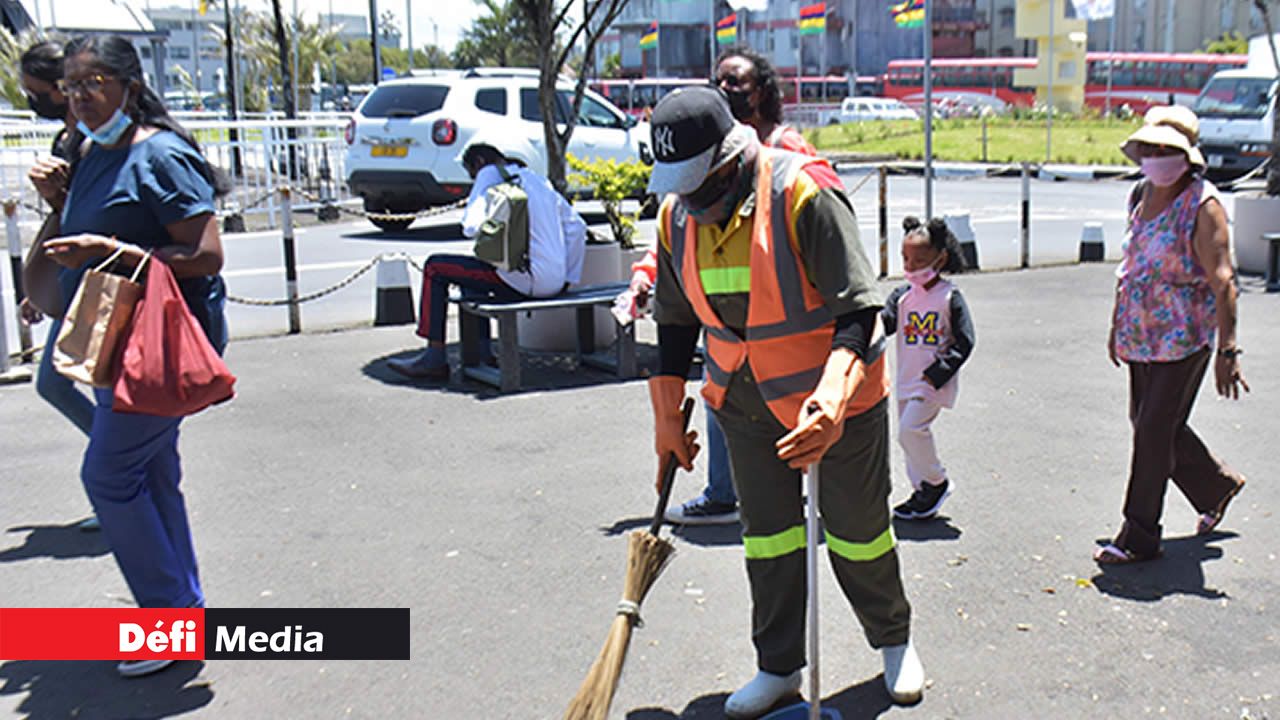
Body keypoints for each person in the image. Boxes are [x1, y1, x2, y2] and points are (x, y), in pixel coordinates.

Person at [643, 86, 923, 715]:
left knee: (858, 531)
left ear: (731, 156)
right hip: (742, 402)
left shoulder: (802, 193)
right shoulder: (675, 217)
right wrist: (666, 417)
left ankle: (893, 641)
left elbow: (860, 310)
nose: (690, 200)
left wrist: (829, 398)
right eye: (679, 186)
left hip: (834, 397)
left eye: (699, 184)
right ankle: (778, 667)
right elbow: (674, 326)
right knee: (767, 537)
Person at [44, 34, 230, 676]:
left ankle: (167, 617)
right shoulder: (93, 151)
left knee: (108, 477)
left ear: (128, 82)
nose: (80, 98)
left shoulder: (161, 155)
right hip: (111, 339)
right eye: (70, 87)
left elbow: (205, 254)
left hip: (158, 345)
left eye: (92, 83)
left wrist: (112, 252)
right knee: (150, 476)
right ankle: (182, 613)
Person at [634, 53, 821, 526]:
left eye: (735, 80)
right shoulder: (690, 176)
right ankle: (724, 492)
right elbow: (679, 234)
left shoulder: (785, 151)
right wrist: (650, 270)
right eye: (717, 80)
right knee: (721, 405)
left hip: (790, 347)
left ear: (760, 91)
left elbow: (816, 216)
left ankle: (751, 493)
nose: (724, 87)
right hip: (727, 336)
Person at [1095, 105, 1248, 565]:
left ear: (1187, 156)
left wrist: (1228, 349)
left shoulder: (1203, 204)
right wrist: (1115, 323)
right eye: (1150, 148)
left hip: (1184, 338)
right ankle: (1216, 487)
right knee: (1153, 426)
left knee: (1152, 431)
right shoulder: (1141, 193)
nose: (1157, 156)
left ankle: (1139, 535)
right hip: (1141, 334)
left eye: (1167, 149)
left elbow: (1224, 280)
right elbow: (1132, 267)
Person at [387, 135, 587, 381]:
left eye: (472, 174)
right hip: (555, 283)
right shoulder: (538, 180)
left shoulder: (489, 175)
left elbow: (470, 227)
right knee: (470, 280)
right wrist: (568, 278)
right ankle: (483, 354)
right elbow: (577, 228)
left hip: (522, 282)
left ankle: (434, 357)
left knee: (435, 267)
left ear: (479, 162)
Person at [17, 40, 100, 530]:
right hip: (74, 279)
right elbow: (63, 218)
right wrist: (41, 286)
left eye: (35, 92)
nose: (34, 102)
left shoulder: (96, 140)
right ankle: (121, 472)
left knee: (58, 382)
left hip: (98, 281)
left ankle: (119, 474)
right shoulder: (65, 142)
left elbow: (88, 212)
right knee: (56, 383)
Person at [881, 217, 974, 521]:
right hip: (906, 378)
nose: (911, 266)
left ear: (940, 258)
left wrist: (939, 371)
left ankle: (936, 482)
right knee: (909, 437)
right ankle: (922, 492)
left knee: (911, 431)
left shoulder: (949, 296)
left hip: (932, 381)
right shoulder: (903, 296)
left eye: (919, 260)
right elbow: (884, 324)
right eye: (905, 259)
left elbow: (965, 340)